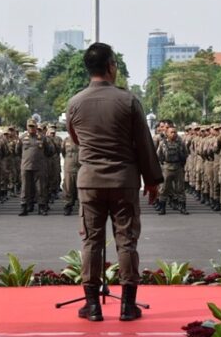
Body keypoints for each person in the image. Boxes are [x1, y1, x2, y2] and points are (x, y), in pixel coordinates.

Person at [66, 42, 163, 322]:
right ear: (111, 66)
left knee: (91, 243)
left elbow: (76, 139)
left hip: (91, 182)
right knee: (126, 242)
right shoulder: (129, 100)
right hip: (124, 181)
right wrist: (152, 180)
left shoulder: (75, 102)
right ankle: (128, 306)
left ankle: (92, 306)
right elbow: (144, 144)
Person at [157, 125, 188, 215]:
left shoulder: (180, 143)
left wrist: (182, 164)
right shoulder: (162, 143)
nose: (174, 134)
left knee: (180, 189)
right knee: (164, 189)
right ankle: (162, 208)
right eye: (171, 132)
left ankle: (183, 208)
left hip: (178, 167)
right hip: (167, 168)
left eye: (175, 132)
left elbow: (185, 154)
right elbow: (159, 155)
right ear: (167, 133)